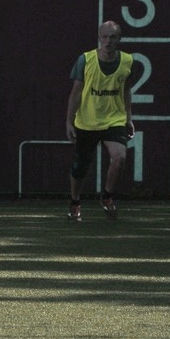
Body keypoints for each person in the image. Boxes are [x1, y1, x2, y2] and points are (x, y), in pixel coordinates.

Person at [65, 20, 134, 221]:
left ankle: (107, 196)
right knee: (80, 167)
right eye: (104, 37)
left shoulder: (127, 61)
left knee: (120, 157)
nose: (108, 41)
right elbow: (75, 93)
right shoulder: (85, 60)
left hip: (114, 119)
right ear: (98, 37)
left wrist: (129, 118)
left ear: (119, 39)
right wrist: (69, 121)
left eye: (112, 37)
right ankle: (75, 202)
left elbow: (126, 90)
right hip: (87, 120)